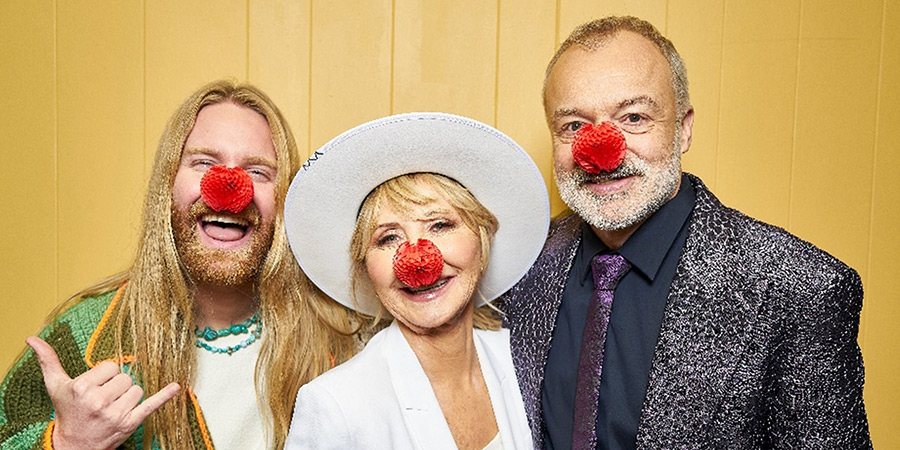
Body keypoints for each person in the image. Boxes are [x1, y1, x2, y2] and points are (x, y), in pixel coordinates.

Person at [502, 16, 871, 449]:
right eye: (574, 127)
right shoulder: (520, 265)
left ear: (684, 129)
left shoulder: (802, 290)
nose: (601, 150)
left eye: (634, 117)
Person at [0, 80, 356, 449]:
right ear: (166, 184)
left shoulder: (341, 340)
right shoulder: (84, 339)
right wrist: (66, 444)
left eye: (258, 171)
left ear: (284, 197)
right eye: (204, 163)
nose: (230, 189)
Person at [282, 112, 549, 449]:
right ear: (365, 265)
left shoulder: (526, 365)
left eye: (440, 225)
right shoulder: (336, 405)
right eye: (388, 238)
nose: (419, 259)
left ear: (482, 242)